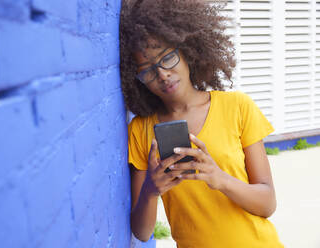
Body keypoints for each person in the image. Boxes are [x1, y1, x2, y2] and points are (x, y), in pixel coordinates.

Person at [120, 0, 284, 247]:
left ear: (186, 51)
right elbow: (142, 233)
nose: (162, 74)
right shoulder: (141, 130)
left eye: (167, 58)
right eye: (148, 70)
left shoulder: (237, 106)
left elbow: (267, 203)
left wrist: (220, 178)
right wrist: (150, 191)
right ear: (138, 80)